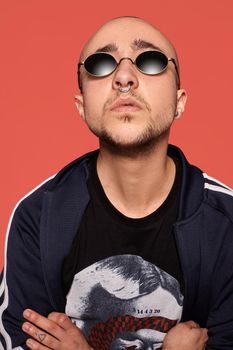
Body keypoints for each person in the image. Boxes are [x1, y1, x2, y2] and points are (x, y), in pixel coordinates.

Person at [0, 15, 232, 350]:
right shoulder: (38, 219)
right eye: (100, 64)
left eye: (150, 61)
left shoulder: (226, 225)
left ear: (179, 102)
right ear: (82, 106)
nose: (124, 77)